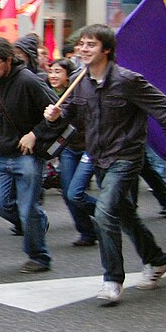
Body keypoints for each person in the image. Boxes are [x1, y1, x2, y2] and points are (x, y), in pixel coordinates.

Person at [45, 24, 166, 304]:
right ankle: (156, 259)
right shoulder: (79, 80)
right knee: (125, 216)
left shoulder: (127, 80)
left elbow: (163, 107)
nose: (84, 49)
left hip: (126, 157)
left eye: (91, 45)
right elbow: (71, 115)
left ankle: (112, 279)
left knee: (106, 213)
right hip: (98, 156)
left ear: (106, 50)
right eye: (82, 44)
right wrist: (56, 114)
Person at [0, 37, 59, 273]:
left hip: (27, 154)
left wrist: (35, 133)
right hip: (1, 153)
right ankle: (36, 222)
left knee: (27, 207)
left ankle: (39, 256)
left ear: (9, 60)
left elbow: (56, 114)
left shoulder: (28, 81)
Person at [47, 58, 98, 247]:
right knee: (68, 193)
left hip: (90, 147)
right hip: (68, 147)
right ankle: (87, 231)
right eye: (51, 71)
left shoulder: (81, 89)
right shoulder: (46, 92)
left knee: (76, 193)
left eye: (58, 72)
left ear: (69, 76)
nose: (53, 75)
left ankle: (109, 214)